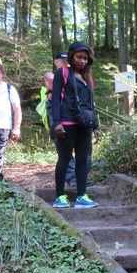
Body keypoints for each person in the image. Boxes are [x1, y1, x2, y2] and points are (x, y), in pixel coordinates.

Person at [51, 42, 100, 208]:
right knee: (64, 159)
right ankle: (60, 197)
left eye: (85, 58)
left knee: (83, 159)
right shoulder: (62, 73)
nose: (82, 61)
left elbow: (91, 104)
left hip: (84, 124)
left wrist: (96, 126)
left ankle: (81, 195)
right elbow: (56, 98)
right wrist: (57, 122)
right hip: (66, 122)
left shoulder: (88, 78)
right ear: (71, 56)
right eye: (79, 57)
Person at [38, 51, 76, 186]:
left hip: (72, 114)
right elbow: (59, 86)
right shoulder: (51, 75)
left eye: (68, 60)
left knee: (75, 145)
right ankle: (71, 178)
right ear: (56, 62)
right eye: (63, 60)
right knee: (63, 145)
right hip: (56, 114)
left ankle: (77, 177)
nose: (67, 63)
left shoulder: (75, 75)